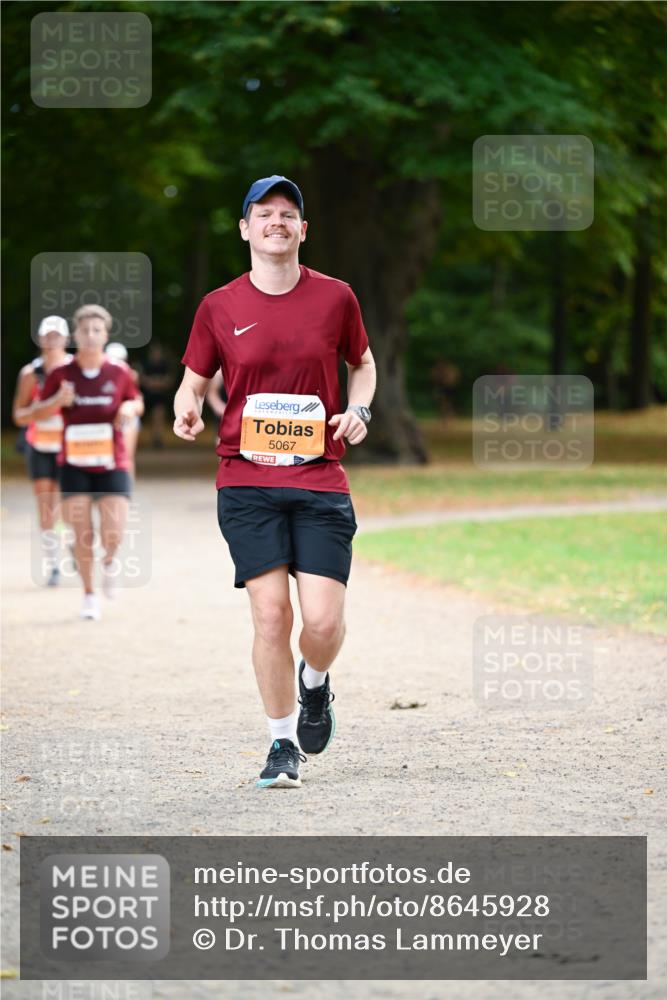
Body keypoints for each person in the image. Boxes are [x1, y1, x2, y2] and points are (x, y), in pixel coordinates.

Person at [174, 174, 376, 789]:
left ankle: (315, 682)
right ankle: (281, 744)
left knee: (322, 624)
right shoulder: (219, 306)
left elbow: (362, 364)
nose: (276, 222)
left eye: (288, 214)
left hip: (319, 479)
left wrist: (360, 410)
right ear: (245, 228)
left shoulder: (336, 297)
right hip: (246, 480)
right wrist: (187, 408)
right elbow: (192, 382)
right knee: (270, 615)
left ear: (303, 230)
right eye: (264, 213)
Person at [30, 305, 144, 620]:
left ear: (106, 335)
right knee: (82, 534)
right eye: (85, 330)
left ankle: (109, 561)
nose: (91, 336)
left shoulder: (119, 372)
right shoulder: (61, 374)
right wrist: (57, 401)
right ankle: (89, 595)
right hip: (74, 463)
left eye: (97, 330)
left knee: (113, 532)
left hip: (112, 462)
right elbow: (37, 413)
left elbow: (136, 400)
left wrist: (129, 409)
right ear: (75, 335)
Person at [12, 316, 73, 586]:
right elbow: (18, 415)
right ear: (39, 339)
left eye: (56, 335)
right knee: (45, 507)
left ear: (66, 339)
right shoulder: (30, 373)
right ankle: (53, 564)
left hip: (68, 447)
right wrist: (49, 407)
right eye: (47, 335)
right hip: (39, 446)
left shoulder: (74, 370)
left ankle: (71, 541)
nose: (51, 341)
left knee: (65, 506)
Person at [106, 342, 143, 478]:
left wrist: (129, 408)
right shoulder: (101, 374)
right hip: (108, 419)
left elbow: (137, 401)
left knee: (127, 458)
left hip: (127, 418)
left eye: (120, 360)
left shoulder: (130, 375)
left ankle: (127, 488)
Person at [139, 342, 175, 449]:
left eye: (158, 352)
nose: (156, 354)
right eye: (154, 352)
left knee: (158, 417)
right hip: (145, 397)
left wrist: (153, 382)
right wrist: (157, 382)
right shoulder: (145, 364)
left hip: (159, 397)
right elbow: (142, 380)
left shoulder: (165, 365)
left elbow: (168, 381)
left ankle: (157, 438)